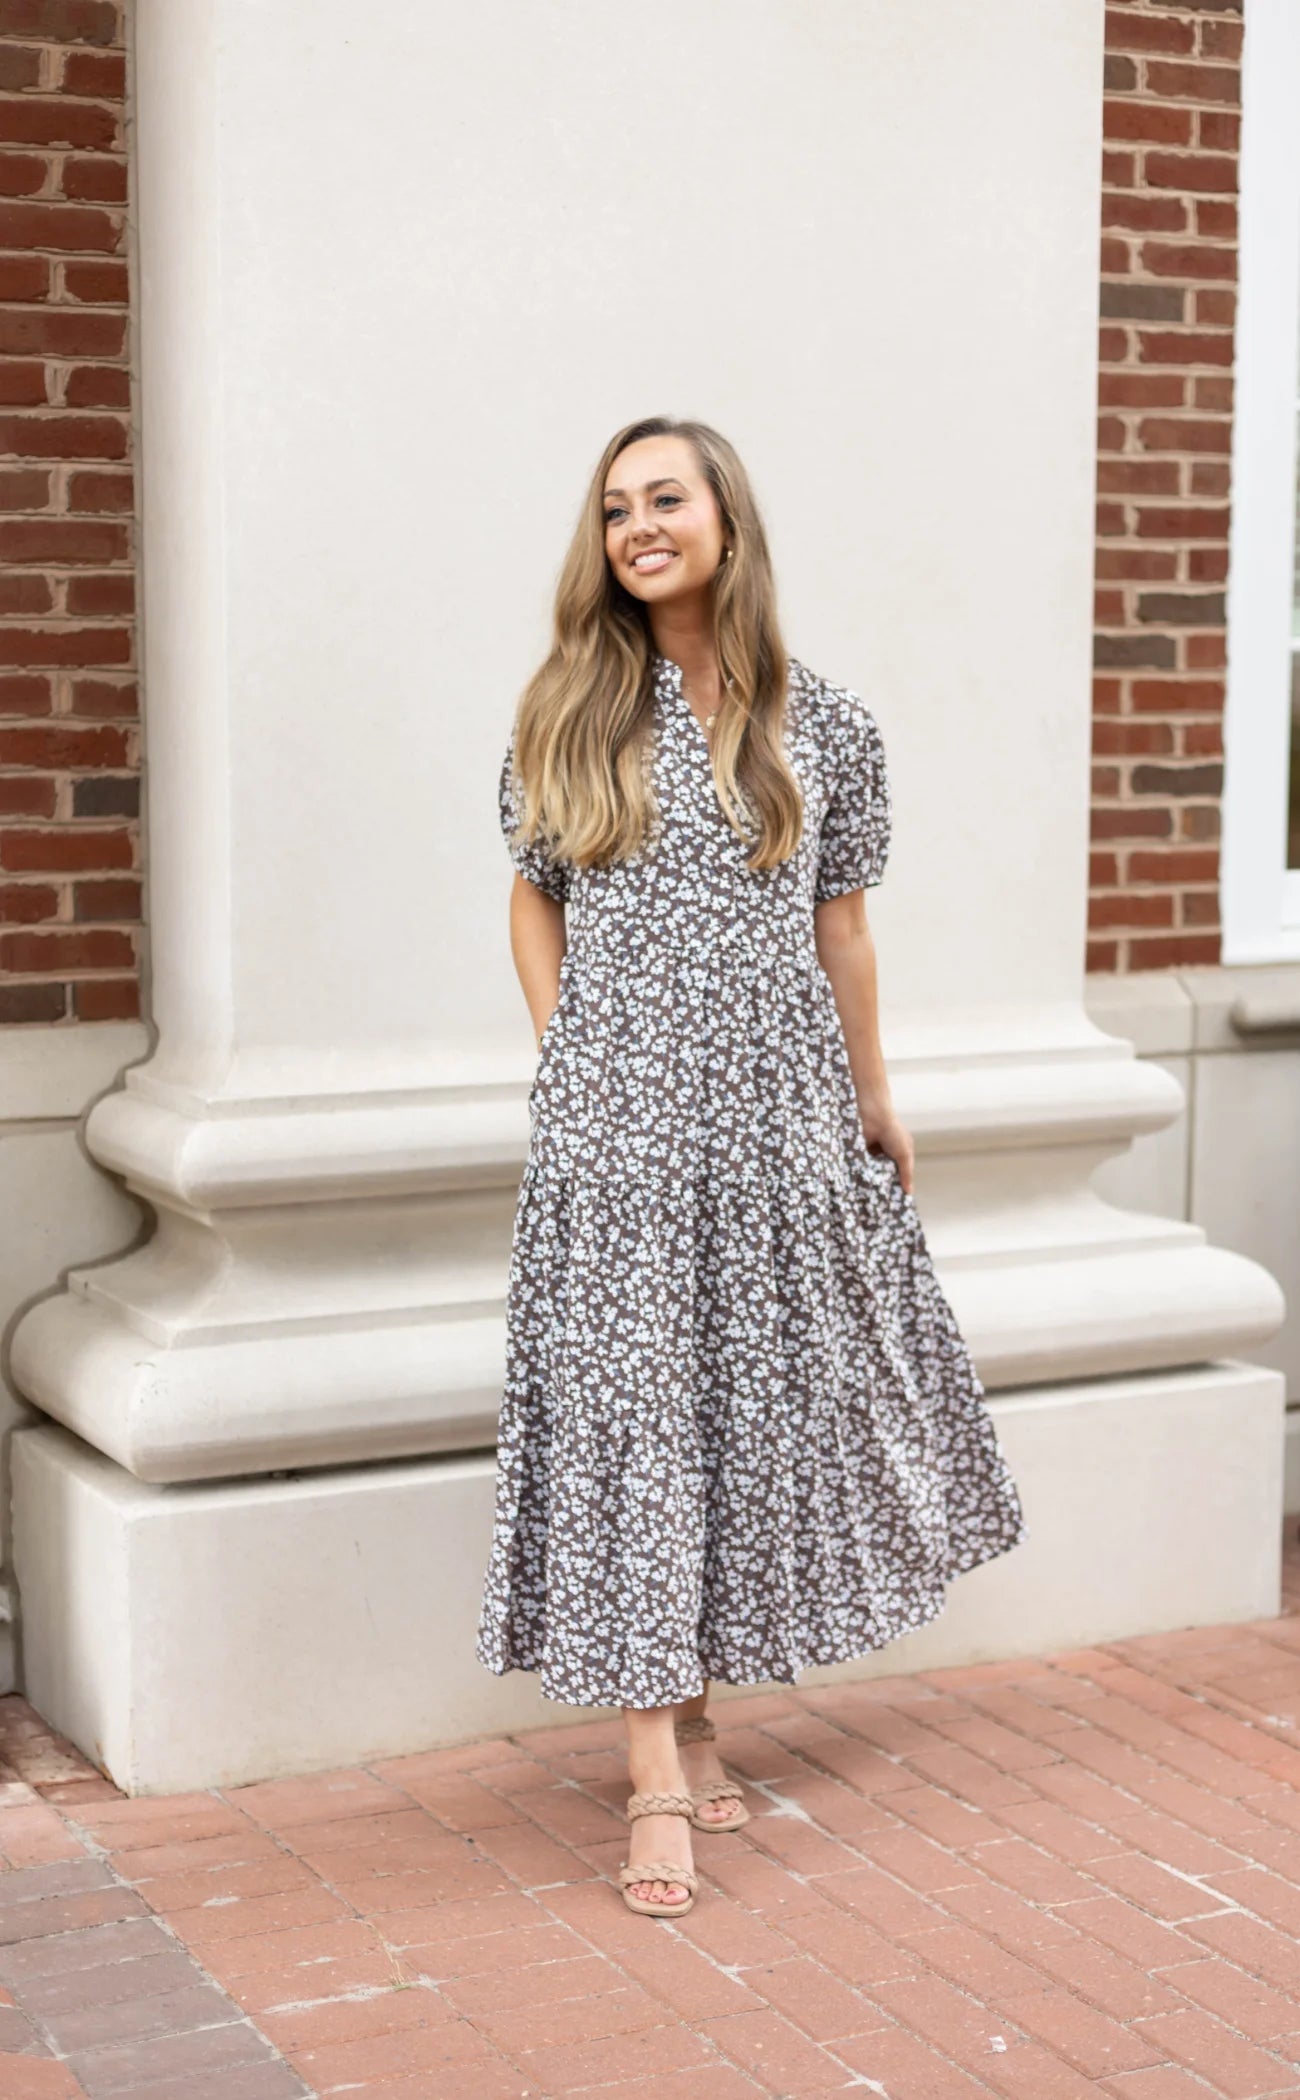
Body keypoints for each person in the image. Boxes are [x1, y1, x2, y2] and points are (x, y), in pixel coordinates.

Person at [476, 414, 1026, 1919]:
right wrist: (565, 1050)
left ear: (727, 518)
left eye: (664, 498)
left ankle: (703, 1708)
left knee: (743, 1403)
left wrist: (875, 1099)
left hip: (781, 1116)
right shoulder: (572, 709)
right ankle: (652, 1771)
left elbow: (844, 925)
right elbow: (532, 898)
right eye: (613, 510)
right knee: (637, 1410)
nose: (637, 526)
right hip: (622, 1120)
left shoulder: (825, 723)